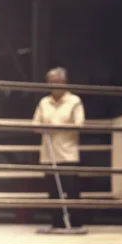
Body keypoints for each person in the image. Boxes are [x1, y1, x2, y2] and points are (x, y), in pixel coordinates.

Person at [32, 67, 85, 229]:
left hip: (68, 154)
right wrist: (43, 128)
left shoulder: (74, 101)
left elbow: (79, 124)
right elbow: (35, 124)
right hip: (49, 155)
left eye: (57, 82)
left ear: (64, 82)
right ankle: (56, 222)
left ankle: (74, 222)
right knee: (53, 192)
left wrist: (55, 127)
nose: (54, 85)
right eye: (51, 82)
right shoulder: (43, 102)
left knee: (71, 191)